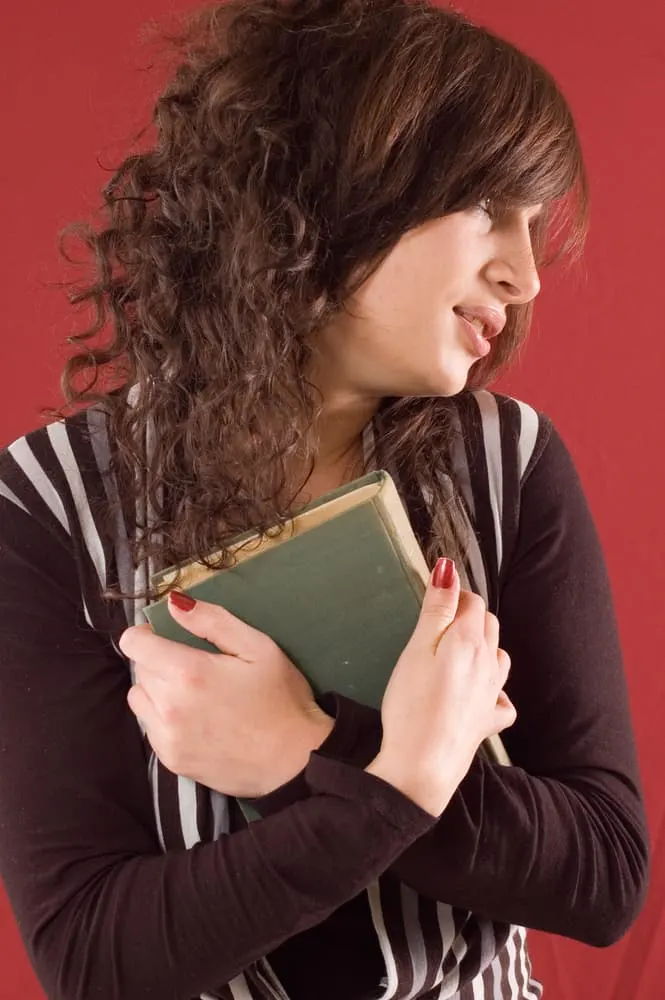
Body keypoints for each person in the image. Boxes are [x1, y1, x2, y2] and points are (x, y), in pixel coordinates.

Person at [0, 0, 649, 998]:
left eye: (532, 227)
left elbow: (602, 873)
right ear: (337, 188)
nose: (521, 275)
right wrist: (397, 781)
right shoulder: (49, 504)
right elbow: (92, 956)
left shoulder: (507, 463)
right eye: (487, 204)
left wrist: (306, 749)